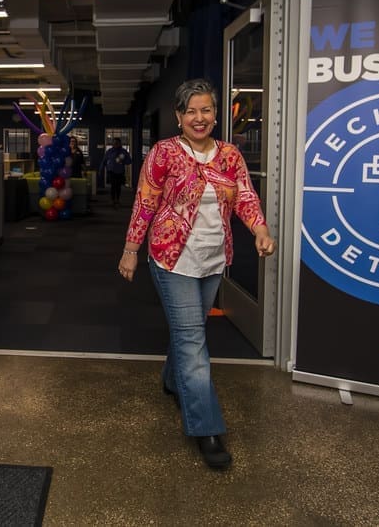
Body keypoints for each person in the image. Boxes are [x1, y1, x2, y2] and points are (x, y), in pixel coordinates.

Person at [117, 78, 276, 470]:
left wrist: (260, 229)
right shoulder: (164, 154)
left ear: (216, 114)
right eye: (191, 111)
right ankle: (206, 428)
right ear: (179, 116)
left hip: (213, 259)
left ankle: (173, 380)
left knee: (189, 332)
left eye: (206, 110)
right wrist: (130, 251)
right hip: (172, 259)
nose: (199, 118)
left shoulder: (229, 155)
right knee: (192, 339)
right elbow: (144, 203)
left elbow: (245, 196)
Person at [102, 137, 133, 207]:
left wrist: (123, 161)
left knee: (118, 186)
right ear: (112, 143)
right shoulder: (109, 151)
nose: (115, 144)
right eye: (114, 143)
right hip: (111, 171)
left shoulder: (123, 152)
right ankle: (113, 200)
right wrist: (102, 168)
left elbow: (129, 161)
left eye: (117, 143)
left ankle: (117, 200)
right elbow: (104, 160)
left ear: (120, 143)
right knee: (113, 186)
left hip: (120, 171)